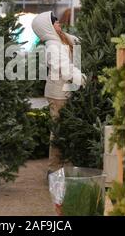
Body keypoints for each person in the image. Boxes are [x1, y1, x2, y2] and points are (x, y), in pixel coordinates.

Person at [31, 11, 85, 176]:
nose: (59, 24)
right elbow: (65, 70)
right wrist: (83, 79)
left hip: (65, 92)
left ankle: (65, 168)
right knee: (59, 132)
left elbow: (78, 41)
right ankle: (54, 170)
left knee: (65, 130)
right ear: (48, 27)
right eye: (55, 23)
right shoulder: (52, 46)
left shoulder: (61, 39)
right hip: (58, 95)